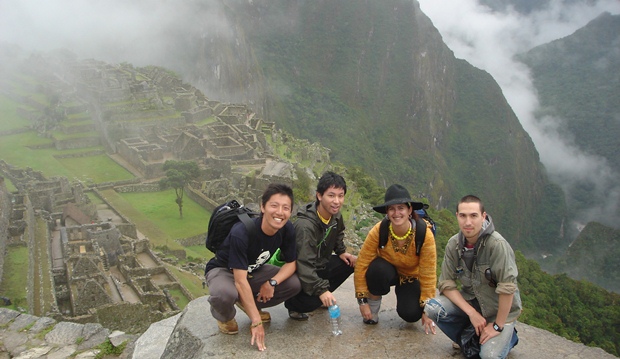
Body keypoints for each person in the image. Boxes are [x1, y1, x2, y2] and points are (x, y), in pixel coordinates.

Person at [204, 183, 301, 352]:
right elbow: (240, 281)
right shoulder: (241, 232)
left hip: (252, 270)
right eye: (274, 205)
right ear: (262, 207)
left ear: (290, 212)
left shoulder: (287, 229)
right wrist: (256, 321)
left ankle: (247, 303)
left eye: (286, 208)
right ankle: (225, 316)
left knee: (294, 284)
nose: (280, 212)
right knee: (225, 294)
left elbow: (291, 263)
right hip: (224, 270)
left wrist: (272, 282)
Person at [424, 195, 521, 359]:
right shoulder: (454, 244)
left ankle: (509, 337)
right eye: (463, 216)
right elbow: (446, 284)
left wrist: (497, 326)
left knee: (488, 356)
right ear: (457, 216)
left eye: (473, 215)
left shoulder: (497, 245)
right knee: (432, 308)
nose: (468, 222)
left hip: (497, 312)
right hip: (472, 303)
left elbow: (507, 288)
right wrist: (471, 313)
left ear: (483, 216)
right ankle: (467, 338)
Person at [354, 184, 436, 331]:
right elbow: (362, 263)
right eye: (391, 208)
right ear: (387, 212)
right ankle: (373, 309)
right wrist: (362, 301)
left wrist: (428, 310)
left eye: (401, 208)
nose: (396, 213)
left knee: (410, 314)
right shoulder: (379, 231)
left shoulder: (424, 235)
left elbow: (428, 273)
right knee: (376, 268)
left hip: (411, 276)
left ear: (409, 210)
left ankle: (405, 294)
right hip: (387, 271)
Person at [284, 171, 357, 319]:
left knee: (350, 263)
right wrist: (322, 290)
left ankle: (318, 296)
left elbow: (339, 232)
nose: (337, 201)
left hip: (320, 265)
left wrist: (341, 251)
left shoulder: (335, 215)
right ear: (319, 196)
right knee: (310, 303)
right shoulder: (305, 226)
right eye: (331, 195)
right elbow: (303, 264)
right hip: (301, 272)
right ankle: (294, 305)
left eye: (340, 196)